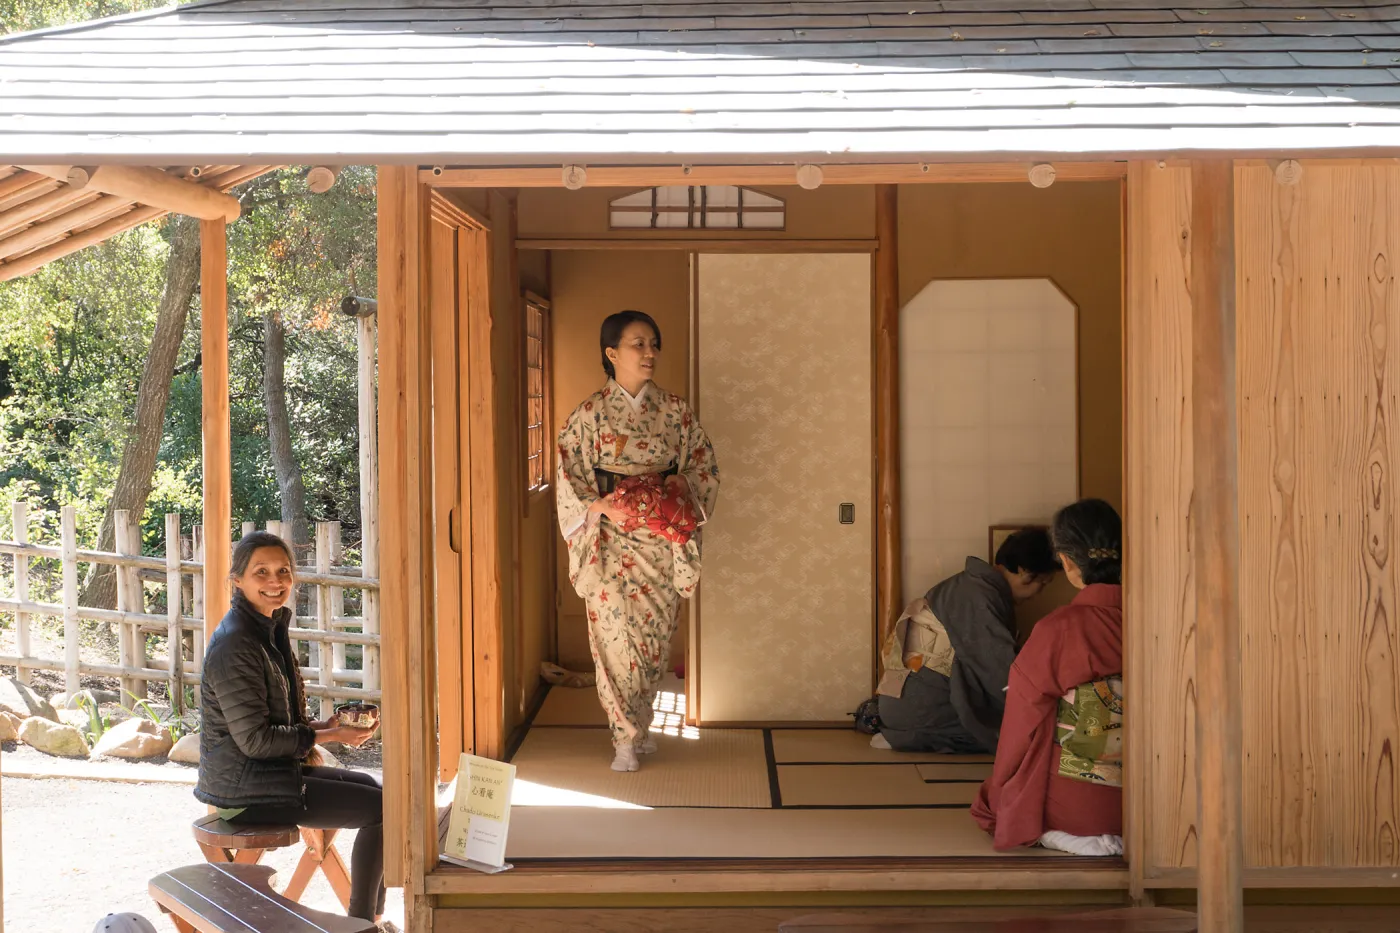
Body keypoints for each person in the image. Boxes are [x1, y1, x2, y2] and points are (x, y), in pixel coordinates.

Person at [195, 532, 393, 930]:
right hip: (243, 791)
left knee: (382, 793)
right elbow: (257, 741)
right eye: (261, 573)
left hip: (269, 775)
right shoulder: (236, 643)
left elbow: (276, 726)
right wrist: (331, 737)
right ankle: (361, 924)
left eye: (283, 571)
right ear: (238, 580)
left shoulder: (266, 629)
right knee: (383, 812)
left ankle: (369, 917)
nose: (275, 581)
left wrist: (327, 726)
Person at [555, 310, 720, 773]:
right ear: (612, 353)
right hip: (608, 542)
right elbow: (570, 475)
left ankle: (640, 721)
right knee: (613, 641)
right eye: (637, 344)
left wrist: (673, 490)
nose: (649, 353)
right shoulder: (589, 414)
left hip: (662, 539)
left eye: (653, 344)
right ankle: (623, 738)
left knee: (652, 641)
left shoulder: (676, 411)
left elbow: (703, 466)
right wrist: (602, 506)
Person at [971, 498, 1124, 857]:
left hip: (1081, 803)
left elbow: (1020, 729)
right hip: (1160, 801)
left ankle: (1066, 831)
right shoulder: (1164, 620)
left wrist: (1000, 789)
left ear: (1068, 562)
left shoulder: (1058, 630)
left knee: (989, 804)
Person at [873, 529, 1058, 754]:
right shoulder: (978, 596)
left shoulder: (970, 587)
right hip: (919, 706)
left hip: (906, 700)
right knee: (1026, 740)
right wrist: (1043, 707)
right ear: (1024, 571)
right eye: (1044, 583)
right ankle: (909, 737)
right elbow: (997, 671)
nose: (1040, 592)